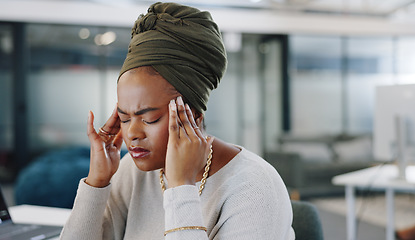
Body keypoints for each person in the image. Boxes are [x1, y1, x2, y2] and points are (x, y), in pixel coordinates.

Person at [59, 2, 295, 239]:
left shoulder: (255, 188)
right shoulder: (132, 171)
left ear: (194, 116)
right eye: (124, 118)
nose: (132, 134)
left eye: (150, 119)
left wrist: (181, 187)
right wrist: (97, 182)